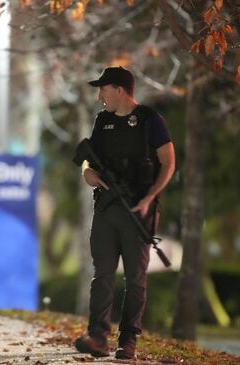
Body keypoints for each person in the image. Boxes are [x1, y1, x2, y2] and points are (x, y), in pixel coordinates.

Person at [74, 67, 175, 360]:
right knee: (102, 275)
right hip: (106, 208)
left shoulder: (149, 121)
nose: (99, 96)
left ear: (119, 90)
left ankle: (128, 340)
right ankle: (97, 338)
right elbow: (87, 159)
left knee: (135, 279)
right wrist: (87, 173)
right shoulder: (102, 121)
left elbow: (168, 163)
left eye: (103, 89)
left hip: (138, 210)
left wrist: (150, 198)